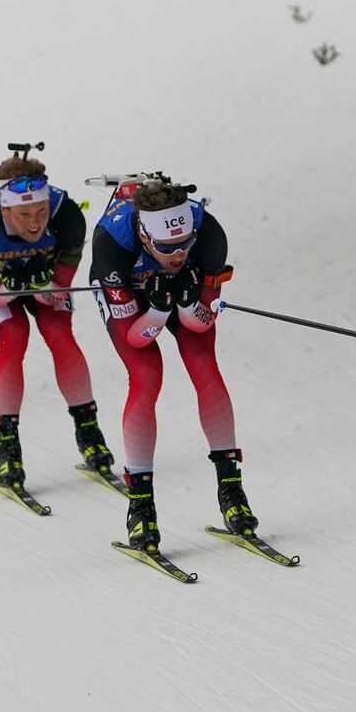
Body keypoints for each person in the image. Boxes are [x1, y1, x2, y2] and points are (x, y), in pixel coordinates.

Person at [90, 176, 254, 551]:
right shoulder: (112, 245)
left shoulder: (208, 232)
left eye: (184, 244)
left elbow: (203, 321)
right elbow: (134, 336)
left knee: (205, 367)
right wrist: (161, 310)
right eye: (166, 247)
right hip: (131, 303)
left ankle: (232, 490)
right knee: (146, 377)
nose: (178, 254)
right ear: (146, 238)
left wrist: (181, 303)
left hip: (179, 299)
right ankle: (141, 507)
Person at [0, 152, 114, 489]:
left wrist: (45, 284)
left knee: (60, 335)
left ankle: (89, 432)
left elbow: (59, 289)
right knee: (13, 338)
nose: (34, 223)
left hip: (45, 277)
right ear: (4, 209)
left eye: (40, 212)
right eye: (23, 214)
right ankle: (7, 446)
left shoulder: (67, 214)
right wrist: (10, 284)